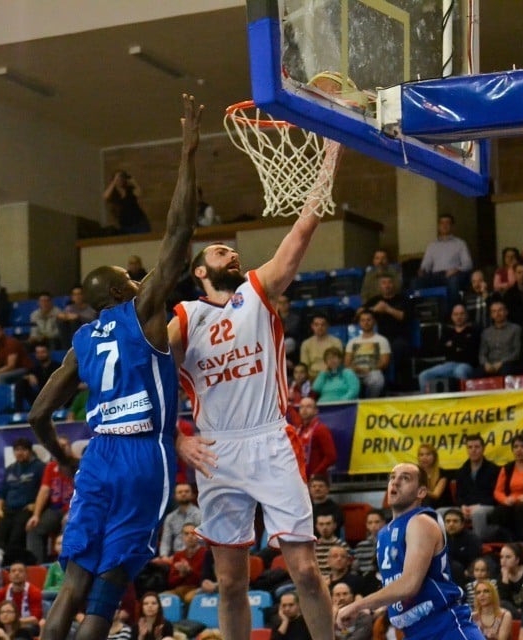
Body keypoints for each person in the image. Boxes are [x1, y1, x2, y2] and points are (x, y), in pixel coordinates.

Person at [25, 95, 207, 640]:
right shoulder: (143, 313)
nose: (138, 279)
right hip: (141, 456)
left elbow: (38, 413)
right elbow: (177, 236)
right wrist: (187, 154)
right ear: (120, 291)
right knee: (107, 586)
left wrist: (63, 458)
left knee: (72, 580)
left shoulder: (81, 340)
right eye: (130, 278)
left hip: (98, 455)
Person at [168, 132, 343, 640]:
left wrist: (331, 155)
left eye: (232, 250)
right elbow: (151, 371)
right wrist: (177, 437)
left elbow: (302, 232)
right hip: (216, 450)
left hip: (270, 439)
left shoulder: (256, 293)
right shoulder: (186, 317)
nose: (231, 254)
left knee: (306, 572)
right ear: (200, 271)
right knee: (227, 584)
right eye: (221, 250)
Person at [334, 463, 484, 639]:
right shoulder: (384, 534)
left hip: (446, 628)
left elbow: (409, 585)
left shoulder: (421, 522)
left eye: (405, 478)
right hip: (414, 632)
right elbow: (394, 587)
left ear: (421, 492)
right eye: (392, 477)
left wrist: (358, 605)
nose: (395, 482)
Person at [0, 438, 44, 566]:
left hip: (26, 510)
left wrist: (35, 505)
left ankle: (13, 567)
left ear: (30, 451)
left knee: (15, 538)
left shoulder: (39, 467)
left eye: (23, 450)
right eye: (17, 450)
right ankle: (0, 567)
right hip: (8, 510)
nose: (20, 453)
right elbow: (1, 493)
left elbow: (45, 491)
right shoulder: (10, 469)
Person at [24, 437, 73, 564]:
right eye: (59, 447)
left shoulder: (77, 465)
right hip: (55, 509)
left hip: (74, 510)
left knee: (67, 527)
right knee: (33, 528)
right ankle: (38, 566)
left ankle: (67, 565)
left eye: (64, 446)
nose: (61, 449)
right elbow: (44, 491)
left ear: (70, 448)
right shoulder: (51, 467)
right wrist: (36, 515)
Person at [417, 303, 479, 393]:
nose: (459, 317)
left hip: (467, 364)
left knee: (459, 372)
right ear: (452, 316)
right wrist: (458, 346)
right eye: (456, 314)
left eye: (461, 314)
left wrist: (452, 345)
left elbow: (471, 350)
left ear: (466, 315)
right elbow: (439, 349)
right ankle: (427, 404)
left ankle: (465, 403)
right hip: (448, 364)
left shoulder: (474, 331)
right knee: (424, 375)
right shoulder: (447, 332)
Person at [413, 214, 473, 306]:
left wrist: (456, 270)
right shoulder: (432, 245)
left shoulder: (460, 243)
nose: (444, 225)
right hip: (435, 276)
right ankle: (419, 314)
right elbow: (426, 265)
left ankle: (452, 313)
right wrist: (422, 270)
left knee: (453, 281)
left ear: (452, 226)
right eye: (442, 223)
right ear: (438, 226)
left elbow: (468, 264)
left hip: (452, 274)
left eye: (447, 223)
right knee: (416, 282)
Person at [454, 434, 500, 541]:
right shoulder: (462, 470)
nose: (473, 450)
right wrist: (462, 506)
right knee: (441, 512)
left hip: (487, 506)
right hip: (466, 508)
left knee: (477, 513)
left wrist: (478, 505)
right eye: (470, 447)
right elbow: (459, 495)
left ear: (483, 449)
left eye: (476, 447)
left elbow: (495, 495)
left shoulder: (493, 469)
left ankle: (477, 545)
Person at [343, 309, 390, 397]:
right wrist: (355, 368)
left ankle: (370, 402)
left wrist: (368, 369)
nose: (366, 322)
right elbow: (347, 363)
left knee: (377, 379)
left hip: (372, 371)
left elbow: (385, 363)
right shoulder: (352, 342)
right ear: (359, 323)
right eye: (363, 320)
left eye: (369, 320)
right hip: (355, 371)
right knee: (346, 373)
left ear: (374, 322)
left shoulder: (382, 340)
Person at [0, 564, 41, 636]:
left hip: (25, 625)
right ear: (9, 576)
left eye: (20, 571)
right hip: (5, 625)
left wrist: (12, 621)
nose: (17, 573)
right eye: (13, 571)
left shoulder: (34, 592)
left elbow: (35, 619)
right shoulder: (1, 593)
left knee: (25, 631)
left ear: (26, 575)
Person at [295, 398, 336, 479]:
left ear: (316, 411)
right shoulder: (299, 430)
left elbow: (331, 457)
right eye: (302, 407)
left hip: (315, 480)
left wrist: (316, 474)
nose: (304, 410)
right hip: (301, 478)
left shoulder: (321, 429)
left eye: (308, 407)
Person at [157, 484, 201, 561]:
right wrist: (164, 557)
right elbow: (166, 541)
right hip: (174, 557)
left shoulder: (200, 515)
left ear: (192, 495)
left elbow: (202, 541)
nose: (183, 494)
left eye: (186, 491)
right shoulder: (170, 518)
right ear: (175, 496)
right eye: (180, 492)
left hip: (195, 556)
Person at [478, 301, 522, 377]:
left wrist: (501, 363)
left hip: (508, 364)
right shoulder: (486, 332)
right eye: (494, 311)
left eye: (500, 310)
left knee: (506, 370)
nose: (497, 314)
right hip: (490, 364)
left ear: (506, 312)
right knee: (476, 373)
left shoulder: (516, 329)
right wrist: (486, 364)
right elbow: (482, 354)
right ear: (491, 315)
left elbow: (516, 352)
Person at [496, 543, 523, 619]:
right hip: (510, 613)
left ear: (517, 560)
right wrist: (505, 579)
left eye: (508, 557)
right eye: (501, 557)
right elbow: (503, 601)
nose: (503, 561)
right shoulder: (501, 576)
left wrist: (521, 609)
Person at [165, 524, 205, 603]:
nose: (190, 536)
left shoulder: (205, 553)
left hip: (197, 589)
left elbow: (205, 580)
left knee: (189, 598)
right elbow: (171, 582)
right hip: (179, 589)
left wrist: (190, 571)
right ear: (182, 537)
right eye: (186, 534)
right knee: (163, 598)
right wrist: (181, 575)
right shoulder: (178, 556)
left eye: (193, 533)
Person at [103, 171, 151, 235]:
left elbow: (139, 193)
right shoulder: (114, 193)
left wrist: (133, 182)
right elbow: (105, 196)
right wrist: (114, 182)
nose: (119, 181)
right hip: (125, 225)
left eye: (121, 178)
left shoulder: (129, 189)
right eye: (117, 179)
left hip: (139, 222)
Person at [299, 314, 343, 381]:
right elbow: (304, 366)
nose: (320, 327)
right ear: (312, 326)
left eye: (323, 324)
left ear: (327, 326)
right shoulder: (306, 344)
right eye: (316, 325)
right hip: (312, 378)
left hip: (331, 376)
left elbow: (338, 363)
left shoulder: (336, 342)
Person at [416, 443, 449, 508]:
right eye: (421, 455)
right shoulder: (416, 473)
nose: (424, 457)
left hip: (441, 506)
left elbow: (436, 495)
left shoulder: (442, 473)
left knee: (427, 500)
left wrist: (418, 489)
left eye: (428, 454)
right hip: (422, 505)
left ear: (434, 456)